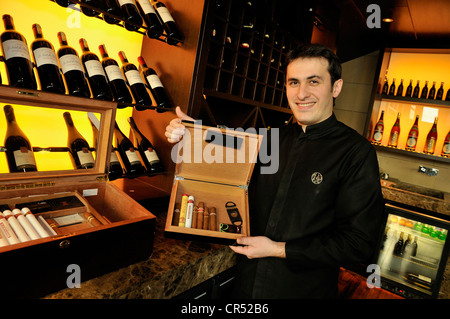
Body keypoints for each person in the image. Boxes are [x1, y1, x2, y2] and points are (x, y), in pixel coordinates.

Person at [165, 44, 385, 299]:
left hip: (302, 290)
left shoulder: (356, 153)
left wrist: (278, 249)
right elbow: (226, 147)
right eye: (294, 82)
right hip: (246, 285)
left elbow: (359, 244)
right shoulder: (272, 138)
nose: (302, 93)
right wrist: (190, 132)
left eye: (313, 81)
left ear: (336, 87)